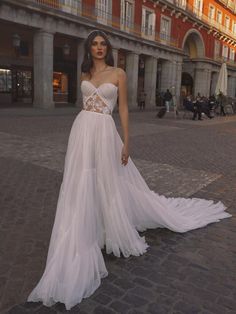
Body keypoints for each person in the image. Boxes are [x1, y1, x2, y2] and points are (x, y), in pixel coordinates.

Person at [27, 30, 231, 311]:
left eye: (103, 44)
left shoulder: (119, 73)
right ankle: (84, 229)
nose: (99, 48)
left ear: (108, 48)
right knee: (80, 181)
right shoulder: (84, 72)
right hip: (82, 130)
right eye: (94, 44)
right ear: (89, 49)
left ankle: (107, 227)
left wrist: (126, 142)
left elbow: (122, 108)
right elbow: (84, 104)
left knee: (108, 181)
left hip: (105, 132)